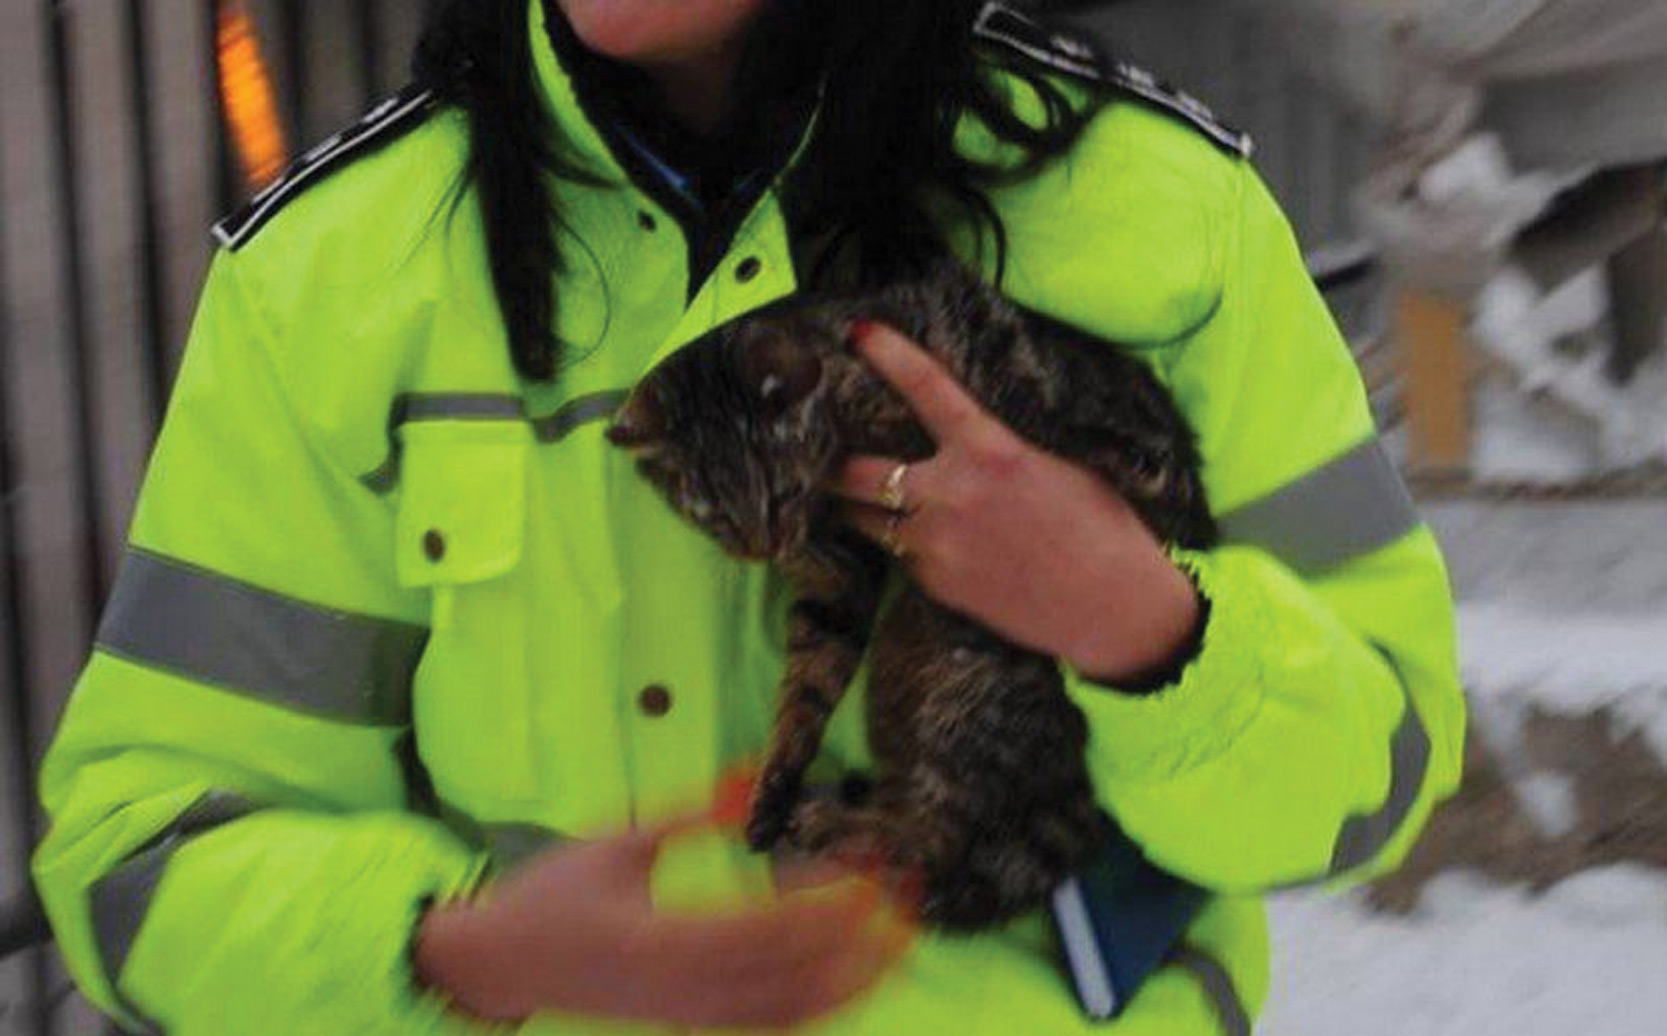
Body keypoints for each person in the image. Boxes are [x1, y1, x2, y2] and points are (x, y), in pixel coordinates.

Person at [32, 1, 1465, 1033]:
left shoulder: (1159, 215)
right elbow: (137, 865)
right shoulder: (334, 277)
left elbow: (1379, 784)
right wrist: (465, 950)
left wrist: (1143, 623)